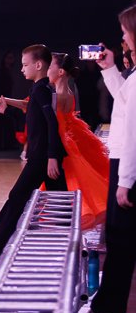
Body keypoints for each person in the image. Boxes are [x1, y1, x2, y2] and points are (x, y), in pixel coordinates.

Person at [0, 44, 66, 261]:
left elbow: (51, 123)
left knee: (18, 196)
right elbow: (29, 108)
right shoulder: (39, 89)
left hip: (41, 157)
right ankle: (68, 243)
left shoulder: (42, 90)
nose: (21, 69)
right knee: (59, 198)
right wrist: (5, 102)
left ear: (38, 65)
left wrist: (52, 156)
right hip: (42, 155)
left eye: (25, 65)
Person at [89, 6, 136, 313]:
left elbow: (132, 130)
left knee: (120, 240)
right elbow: (125, 101)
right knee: (120, 240)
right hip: (125, 162)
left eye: (125, 31)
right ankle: (105, 309)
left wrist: (126, 180)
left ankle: (106, 312)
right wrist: (110, 69)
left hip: (127, 164)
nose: (122, 37)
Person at [47, 52, 108, 231]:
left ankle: (66, 226)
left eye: (49, 66)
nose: (47, 70)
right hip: (69, 141)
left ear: (60, 72)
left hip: (62, 145)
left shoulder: (59, 94)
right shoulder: (68, 91)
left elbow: (34, 107)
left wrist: (8, 101)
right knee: (72, 185)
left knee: (70, 185)